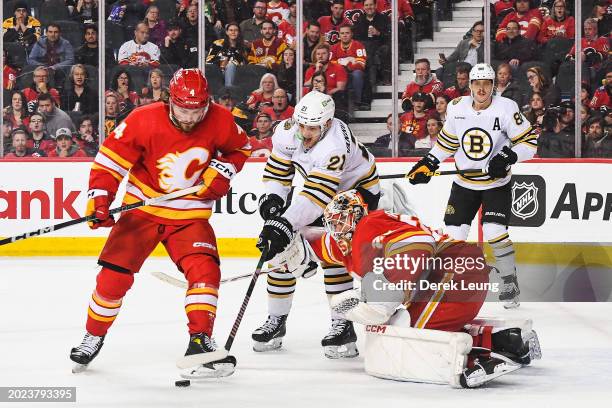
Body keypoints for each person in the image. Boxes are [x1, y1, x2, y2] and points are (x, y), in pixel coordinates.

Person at [69, 68, 252, 379]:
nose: (190, 118)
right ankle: (94, 334)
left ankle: (201, 339)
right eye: (182, 109)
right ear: (170, 101)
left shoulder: (220, 119)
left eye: (197, 111)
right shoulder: (144, 118)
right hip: (143, 210)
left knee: (205, 271)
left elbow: (241, 149)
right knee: (113, 278)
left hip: (190, 214)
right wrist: (101, 200)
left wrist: (222, 171)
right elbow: (110, 160)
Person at [318, 189, 541, 388]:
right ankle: (508, 341)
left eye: (340, 222)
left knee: (408, 330)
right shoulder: (369, 234)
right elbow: (321, 246)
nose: (336, 230)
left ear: (356, 215)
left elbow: (417, 241)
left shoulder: (369, 225)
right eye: (332, 224)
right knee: (416, 325)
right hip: (460, 273)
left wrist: (381, 302)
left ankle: (476, 361)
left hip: (456, 274)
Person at [252, 91, 380, 358]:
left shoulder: (334, 145)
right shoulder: (288, 131)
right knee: (280, 250)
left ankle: (342, 324)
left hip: (357, 191)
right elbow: (278, 170)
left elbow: (317, 196)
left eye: (312, 128)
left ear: (327, 124)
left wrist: (284, 223)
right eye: (302, 125)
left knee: (333, 253)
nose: (305, 132)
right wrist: (273, 198)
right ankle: (276, 321)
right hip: (320, 188)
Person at [407, 63, 538, 309]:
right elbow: (447, 142)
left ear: (493, 86)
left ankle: (509, 280)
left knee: (493, 231)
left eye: (486, 83)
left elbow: (530, 144)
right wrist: (430, 162)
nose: (481, 88)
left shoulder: (507, 108)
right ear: (470, 86)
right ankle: (449, 284)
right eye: (477, 84)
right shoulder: (457, 108)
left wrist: (508, 157)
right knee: (454, 236)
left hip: (496, 183)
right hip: (464, 183)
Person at [330, 25, 367, 109]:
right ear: (339, 35)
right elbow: (331, 63)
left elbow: (361, 64)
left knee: (357, 74)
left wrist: (346, 65)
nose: (344, 35)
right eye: (342, 33)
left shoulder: (358, 45)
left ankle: (357, 102)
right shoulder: (334, 47)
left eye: (347, 33)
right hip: (339, 72)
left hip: (353, 72)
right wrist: (348, 62)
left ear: (352, 34)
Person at [206, 23, 249, 87]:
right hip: (218, 72)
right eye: (231, 30)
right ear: (226, 32)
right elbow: (208, 61)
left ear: (239, 32)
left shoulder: (243, 46)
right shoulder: (218, 43)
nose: (233, 32)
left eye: (236, 30)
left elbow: (245, 63)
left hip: (237, 73)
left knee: (231, 66)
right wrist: (221, 61)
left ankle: (228, 91)